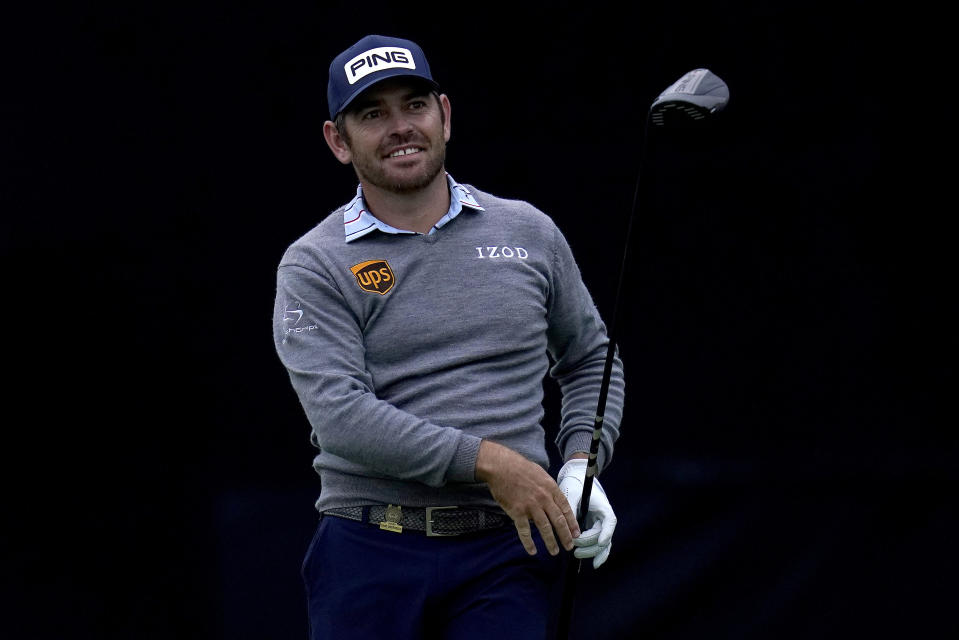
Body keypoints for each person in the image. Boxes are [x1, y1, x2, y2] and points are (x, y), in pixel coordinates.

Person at [272, 34, 625, 640]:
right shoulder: (314, 263)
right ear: (338, 140)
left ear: (445, 115)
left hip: (503, 554)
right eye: (372, 114)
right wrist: (491, 462)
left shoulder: (529, 233)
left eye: (414, 105)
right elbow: (341, 415)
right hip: (368, 548)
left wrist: (579, 464)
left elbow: (591, 355)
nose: (400, 127)